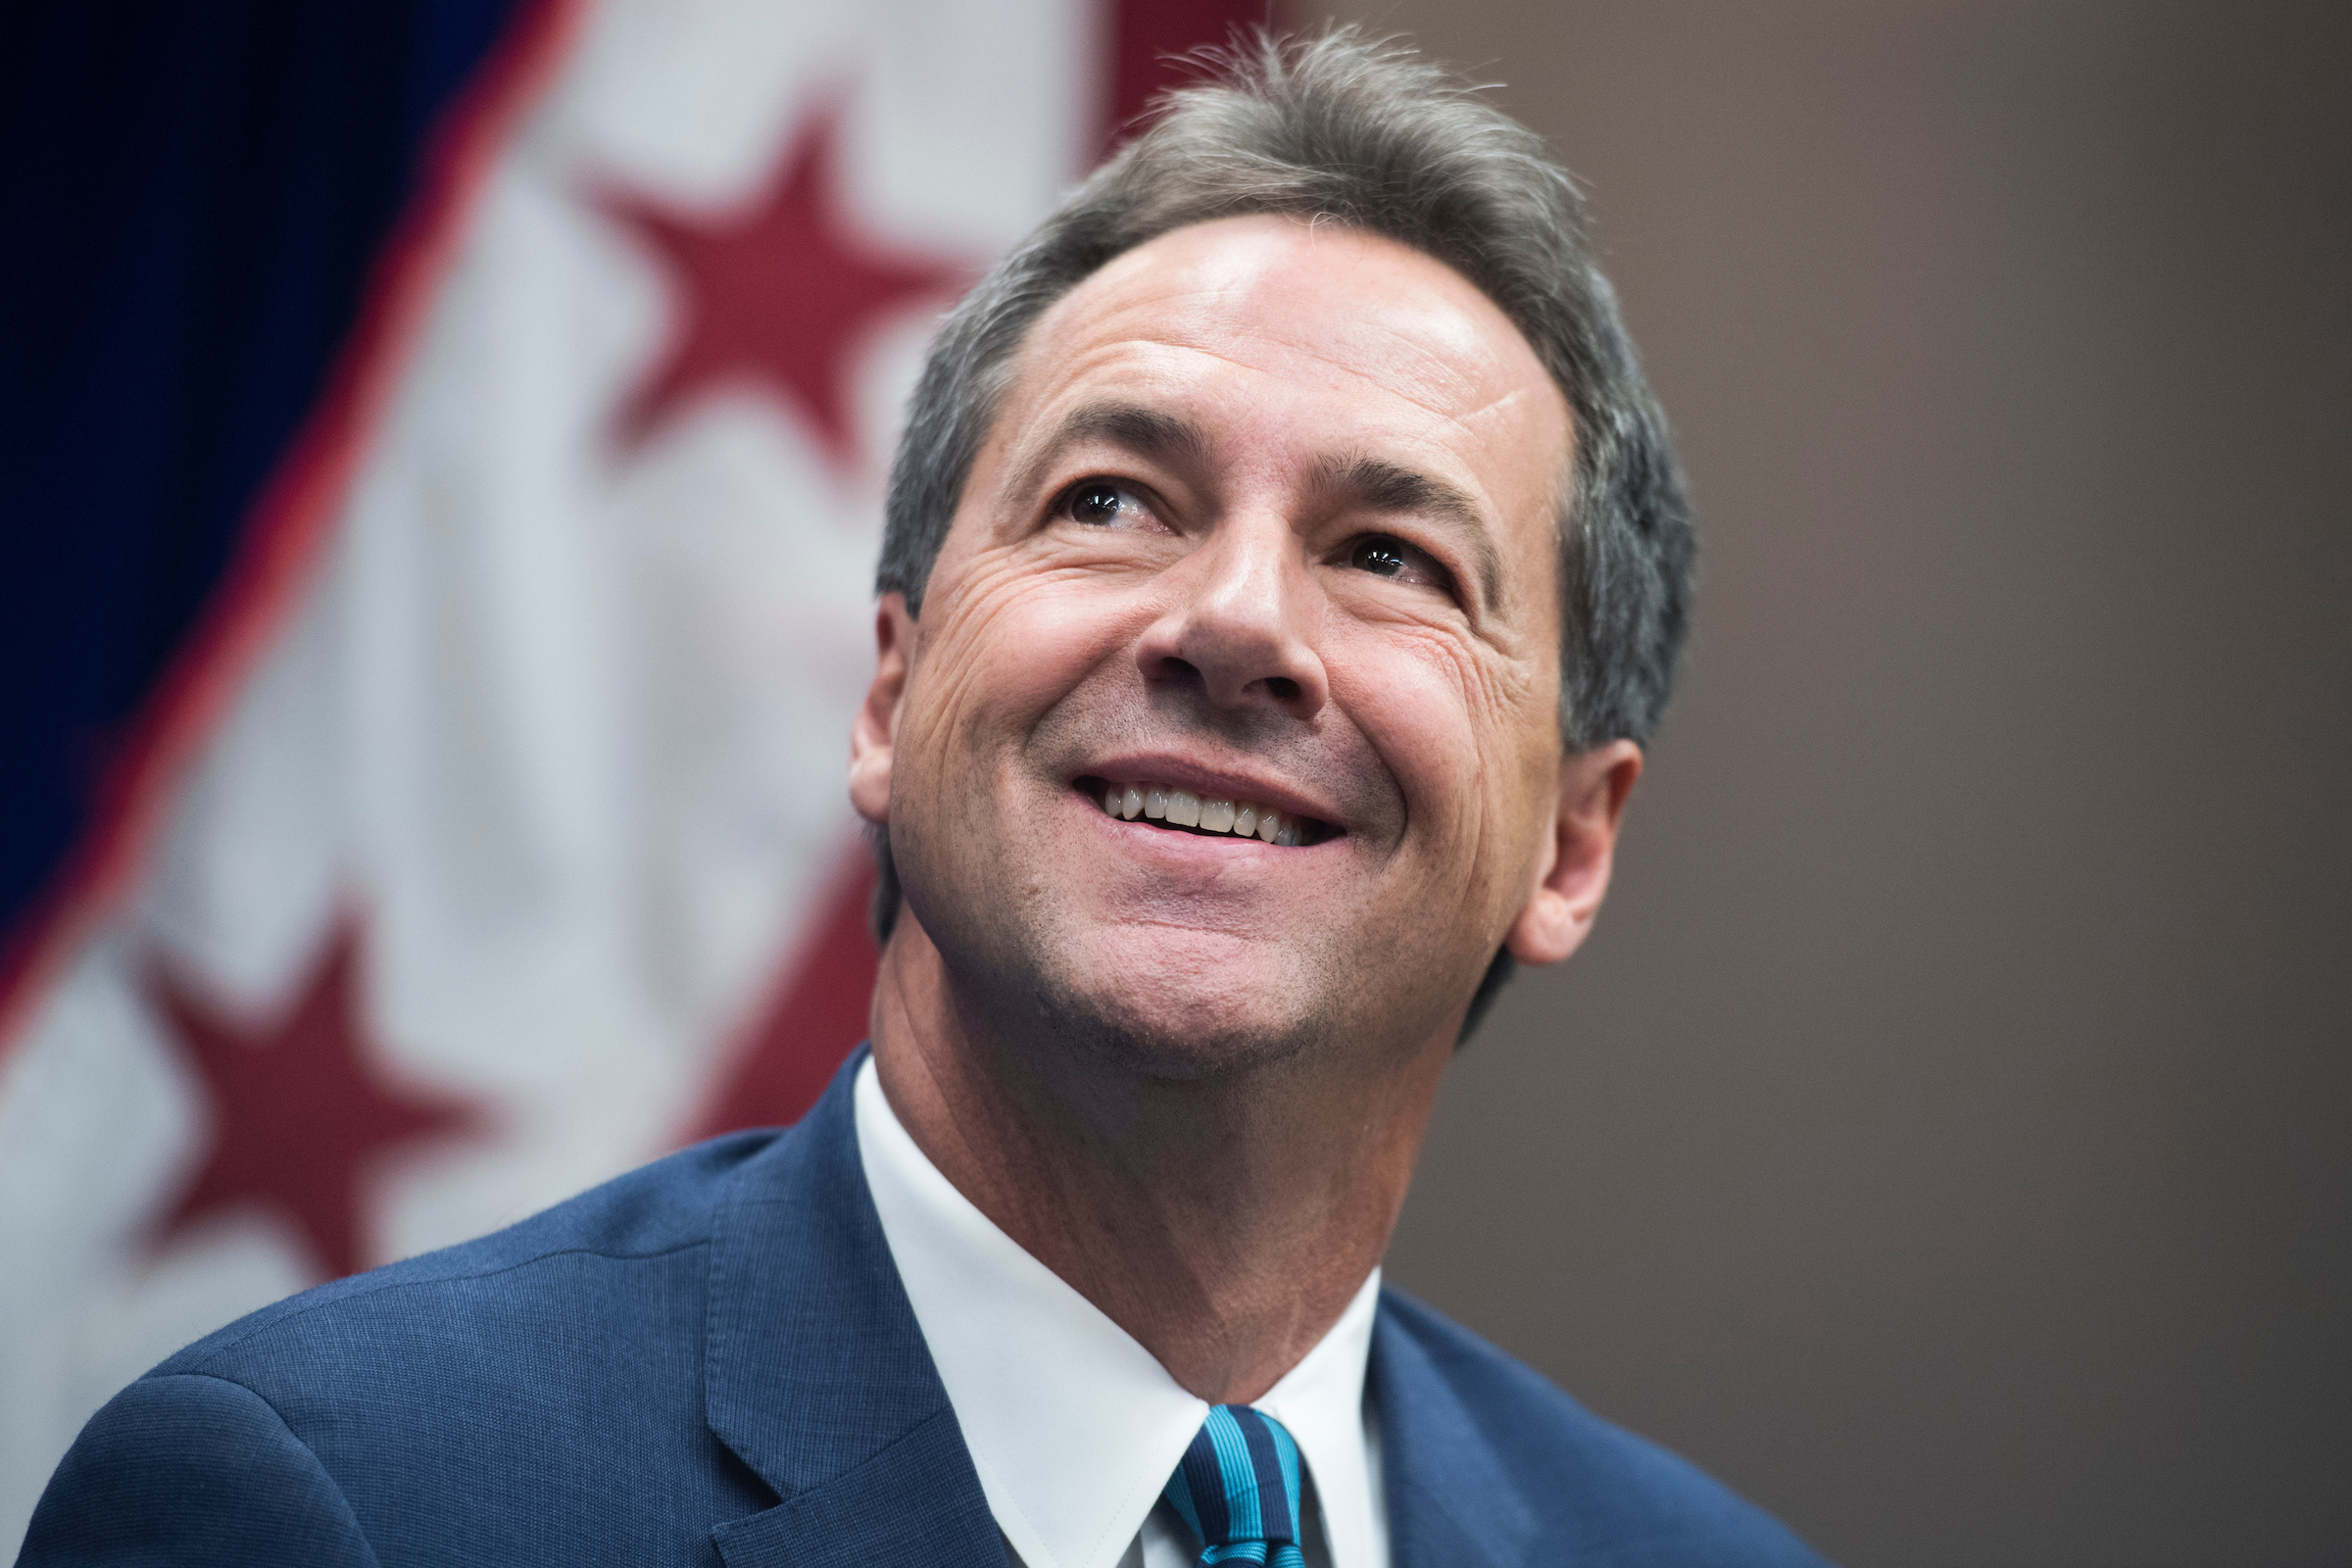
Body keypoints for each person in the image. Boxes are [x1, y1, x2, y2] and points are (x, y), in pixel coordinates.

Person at [22, 30, 1826, 1568]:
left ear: (1574, 844)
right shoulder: (335, 1500)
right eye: (1112, 499)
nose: (1236, 623)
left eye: (1391, 553)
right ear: (890, 694)